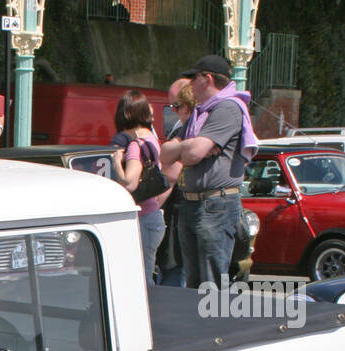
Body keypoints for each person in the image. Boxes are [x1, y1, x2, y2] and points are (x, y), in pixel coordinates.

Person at [158, 55, 258, 289]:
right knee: (194, 282)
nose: (190, 84)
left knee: (211, 281)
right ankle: (197, 324)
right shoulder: (201, 113)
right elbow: (164, 153)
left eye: (194, 78)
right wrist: (190, 145)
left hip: (215, 205)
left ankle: (213, 325)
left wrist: (185, 148)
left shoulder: (227, 108)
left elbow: (192, 155)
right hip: (193, 203)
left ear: (208, 78)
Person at [110, 91, 172, 284]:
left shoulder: (136, 146)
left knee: (141, 280)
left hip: (144, 219)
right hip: (153, 217)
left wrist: (116, 163)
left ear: (126, 115)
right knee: (145, 273)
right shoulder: (152, 140)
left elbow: (130, 182)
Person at [156, 78, 194, 287]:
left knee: (174, 275)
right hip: (188, 215)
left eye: (175, 106)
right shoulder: (192, 128)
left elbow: (170, 177)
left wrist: (149, 209)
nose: (172, 111)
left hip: (179, 215)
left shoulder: (184, 131)